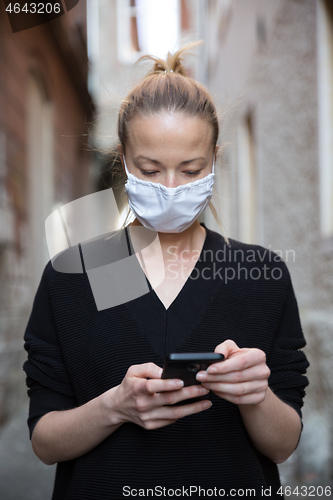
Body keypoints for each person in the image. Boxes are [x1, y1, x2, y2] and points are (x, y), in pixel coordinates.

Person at [23, 42, 309, 500]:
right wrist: (114, 407)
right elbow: (45, 440)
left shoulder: (259, 274)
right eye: (151, 169)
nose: (171, 189)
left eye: (191, 169)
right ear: (123, 158)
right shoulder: (77, 273)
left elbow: (282, 444)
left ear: (215, 159)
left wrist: (256, 395)